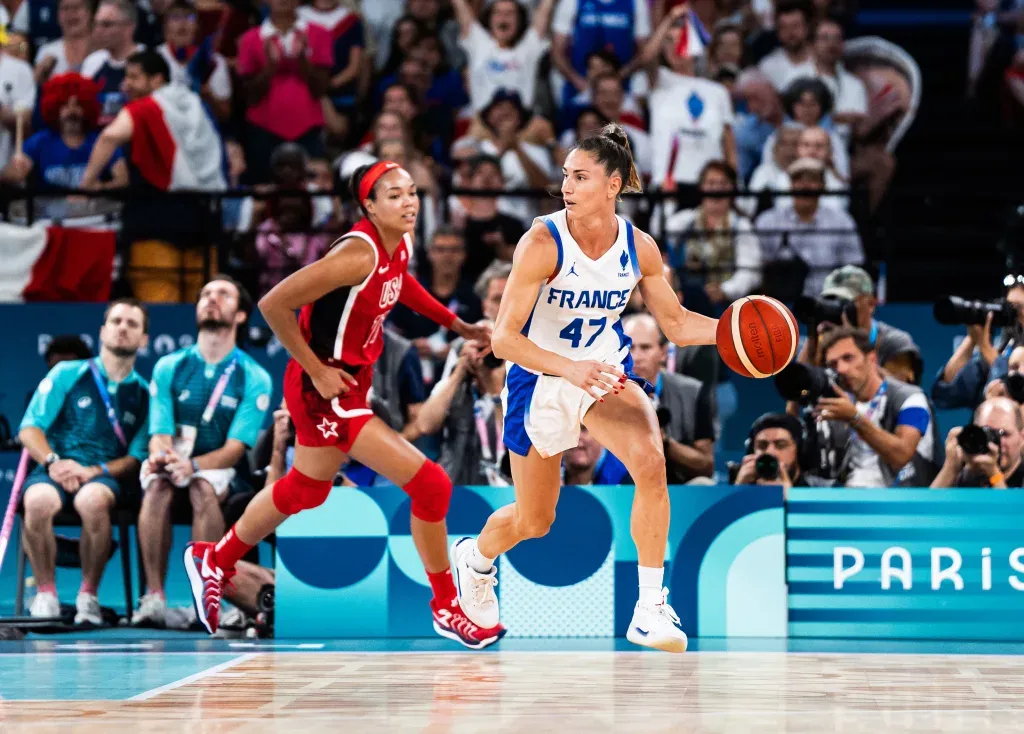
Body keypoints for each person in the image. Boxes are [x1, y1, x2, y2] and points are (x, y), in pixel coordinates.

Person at [182, 161, 505, 650]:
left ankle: (216, 559)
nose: (409, 202)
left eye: (412, 192)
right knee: (431, 486)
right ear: (368, 206)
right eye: (394, 196)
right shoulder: (357, 254)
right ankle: (446, 606)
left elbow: (402, 284)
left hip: (349, 380)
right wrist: (315, 369)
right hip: (324, 386)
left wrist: (457, 325)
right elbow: (273, 304)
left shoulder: (400, 243)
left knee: (306, 489)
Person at [448, 124, 719, 653]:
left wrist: (732, 328)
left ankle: (649, 608)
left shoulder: (639, 248)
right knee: (535, 520)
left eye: (580, 177)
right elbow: (503, 340)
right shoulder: (541, 243)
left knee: (651, 462)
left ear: (613, 185)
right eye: (566, 176)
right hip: (539, 375)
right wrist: (567, 369)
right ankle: (475, 558)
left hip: (603, 370)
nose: (566, 186)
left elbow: (678, 324)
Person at [133, 277, 273, 626]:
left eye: (223, 294)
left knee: (202, 487)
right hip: (175, 459)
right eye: (206, 294)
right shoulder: (170, 366)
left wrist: (193, 465)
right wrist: (163, 457)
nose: (212, 299)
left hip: (222, 469)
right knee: (156, 485)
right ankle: (154, 598)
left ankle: (209, 598)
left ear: (240, 315)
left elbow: (235, 449)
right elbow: (159, 433)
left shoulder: (253, 375)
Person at [18, 300, 150, 624]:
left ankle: (88, 597)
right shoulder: (67, 373)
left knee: (93, 501)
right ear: (102, 331)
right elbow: (30, 428)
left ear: (144, 339)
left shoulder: (145, 393)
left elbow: (135, 458)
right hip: (54, 469)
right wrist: (53, 462)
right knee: (36, 500)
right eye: (116, 321)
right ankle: (46, 595)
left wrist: (93, 471)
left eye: (132, 324)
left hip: (102, 475)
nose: (122, 328)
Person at [79, 50, 227, 303]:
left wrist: (87, 184)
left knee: (160, 309)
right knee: (204, 307)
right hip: (204, 221)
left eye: (134, 77)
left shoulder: (147, 107)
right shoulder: (197, 105)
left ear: (157, 80)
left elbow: (110, 136)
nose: (125, 84)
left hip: (155, 223)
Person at [415, 261, 512, 485]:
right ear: (485, 305)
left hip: (512, 485)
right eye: (497, 299)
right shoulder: (464, 347)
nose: (504, 307)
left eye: (511, 298)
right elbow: (426, 424)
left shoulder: (534, 354)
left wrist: (496, 389)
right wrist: (459, 372)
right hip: (460, 480)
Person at [815, 326, 939, 487]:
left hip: (899, 497)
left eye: (848, 358)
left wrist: (855, 419)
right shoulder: (836, 405)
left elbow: (901, 456)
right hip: (847, 497)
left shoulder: (912, 399)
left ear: (872, 359)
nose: (841, 369)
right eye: (833, 364)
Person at [623, 314, 716, 484]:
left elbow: (706, 466)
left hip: (676, 485)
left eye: (645, 348)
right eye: (629, 347)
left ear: (663, 353)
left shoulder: (693, 393)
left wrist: (665, 442)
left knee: (703, 483)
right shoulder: (601, 392)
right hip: (616, 486)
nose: (636, 357)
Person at [755, 157, 863, 297]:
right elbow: (758, 271)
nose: (805, 186)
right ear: (790, 185)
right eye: (798, 179)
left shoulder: (842, 222)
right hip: (781, 304)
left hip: (829, 303)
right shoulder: (768, 222)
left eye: (812, 179)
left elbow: (853, 270)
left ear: (823, 185)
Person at [2, 73, 128, 193]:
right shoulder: (39, 142)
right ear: (55, 108)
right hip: (48, 208)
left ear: (87, 108)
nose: (71, 111)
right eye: (65, 105)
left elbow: (123, 180)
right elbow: (8, 176)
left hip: (93, 207)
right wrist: (13, 173)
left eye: (78, 105)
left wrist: (100, 189)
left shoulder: (101, 142)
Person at [665, 160, 762, 312]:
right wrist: (667, 200)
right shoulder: (683, 221)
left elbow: (750, 272)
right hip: (685, 302)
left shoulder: (741, 226)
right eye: (711, 183)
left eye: (723, 184)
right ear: (701, 187)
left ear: (732, 188)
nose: (716, 189)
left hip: (725, 307)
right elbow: (659, 234)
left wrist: (725, 290)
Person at [933, 276, 1024, 411]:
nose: (1013, 313)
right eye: (1009, 305)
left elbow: (1016, 395)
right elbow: (944, 396)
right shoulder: (1002, 348)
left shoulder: (991, 352)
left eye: (1019, 307)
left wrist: (986, 348)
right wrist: (972, 339)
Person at [451, 0, 556, 112]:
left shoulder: (528, 48)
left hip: (521, 121)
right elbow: (460, 5)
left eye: (510, 13)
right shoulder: (478, 43)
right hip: (483, 120)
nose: (503, 18)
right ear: (489, 19)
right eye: (497, 12)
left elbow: (545, 10)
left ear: (519, 21)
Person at [931, 397, 1024, 489]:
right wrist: (951, 468)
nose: (996, 442)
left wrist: (994, 474)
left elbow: (1009, 500)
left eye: (1003, 434)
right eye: (986, 433)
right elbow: (931, 499)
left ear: (1022, 437)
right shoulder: (967, 475)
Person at [81, 0, 145, 126]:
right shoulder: (92, 62)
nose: (98, 30)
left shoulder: (149, 58)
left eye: (106, 25)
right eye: (96, 24)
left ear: (129, 27)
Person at [731, 413, 827, 492]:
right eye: (762, 446)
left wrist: (791, 499)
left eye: (781, 445)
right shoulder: (742, 486)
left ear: (799, 450)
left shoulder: (825, 491)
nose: (770, 452)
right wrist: (738, 492)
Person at [757, 0, 812, 91]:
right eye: (784, 27)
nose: (790, 33)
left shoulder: (823, 62)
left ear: (807, 28)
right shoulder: (767, 66)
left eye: (795, 26)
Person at [34, 0, 93, 81]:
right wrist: (41, 73)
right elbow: (34, 85)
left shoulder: (102, 49)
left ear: (89, 13)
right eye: (65, 8)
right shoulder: (47, 51)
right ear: (58, 16)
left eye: (76, 7)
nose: (71, 13)